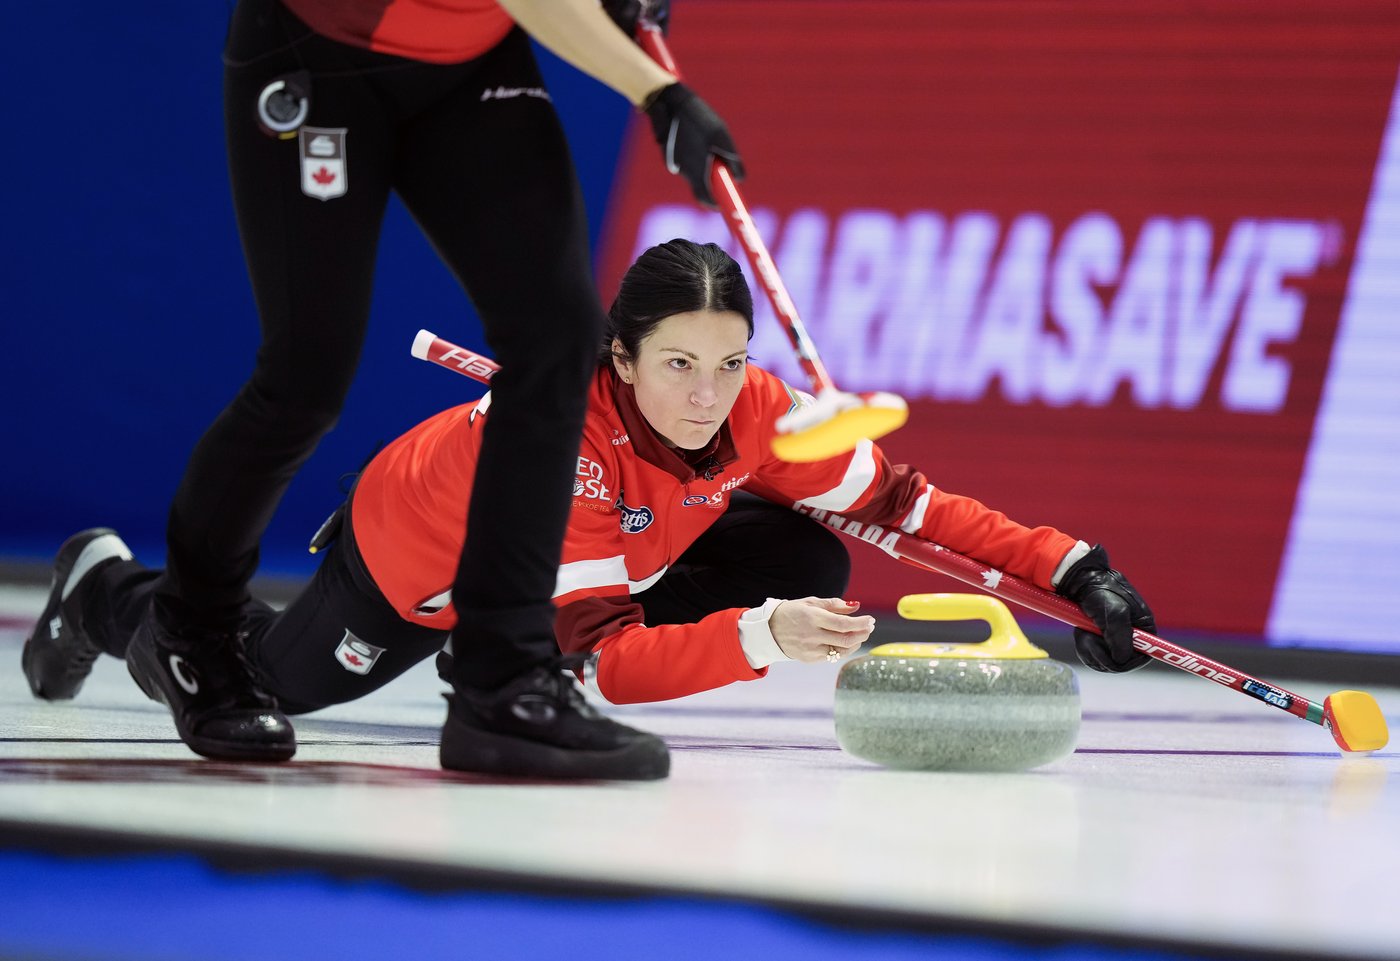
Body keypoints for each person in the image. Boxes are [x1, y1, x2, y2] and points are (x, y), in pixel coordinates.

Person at [25, 240, 1155, 764]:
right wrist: (761, 638)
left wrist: (1074, 573)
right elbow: (605, 661)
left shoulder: (758, 410)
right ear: (619, 356)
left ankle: (498, 658)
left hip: (613, 548)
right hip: (419, 554)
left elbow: (907, 506)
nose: (707, 396)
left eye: (728, 363)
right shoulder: (562, 449)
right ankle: (106, 590)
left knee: (810, 552)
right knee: (268, 685)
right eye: (678, 366)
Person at [84, 0, 743, 777]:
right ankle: (188, 627)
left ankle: (503, 681)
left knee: (557, 340)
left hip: (470, 61)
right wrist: (656, 92)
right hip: (320, 54)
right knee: (305, 377)